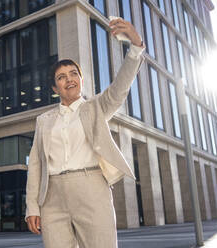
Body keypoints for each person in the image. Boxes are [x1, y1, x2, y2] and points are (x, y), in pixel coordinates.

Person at [25, 17, 145, 248]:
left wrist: (136, 46)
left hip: (91, 188)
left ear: (81, 79)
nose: (69, 79)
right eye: (61, 77)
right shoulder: (44, 120)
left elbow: (120, 87)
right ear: (54, 88)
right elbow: (36, 166)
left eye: (73, 74)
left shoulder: (96, 107)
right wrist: (32, 206)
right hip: (52, 196)